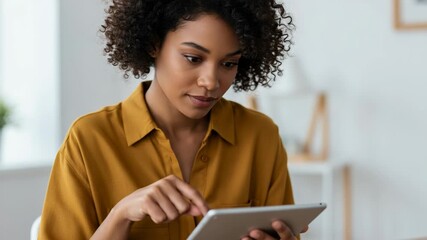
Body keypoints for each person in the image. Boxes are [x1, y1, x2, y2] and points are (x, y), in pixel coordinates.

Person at [39, 0, 306, 239]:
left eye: (228, 64)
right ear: (154, 44)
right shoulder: (89, 140)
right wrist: (120, 215)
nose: (211, 82)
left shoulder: (260, 135)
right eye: (193, 58)